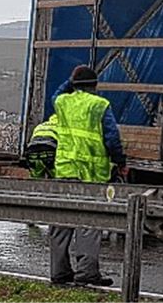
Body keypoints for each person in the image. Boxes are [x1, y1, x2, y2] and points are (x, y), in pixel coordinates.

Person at [48, 65, 127, 287]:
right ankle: (86, 272)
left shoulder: (62, 102)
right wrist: (120, 162)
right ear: (95, 85)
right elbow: (112, 138)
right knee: (89, 224)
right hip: (91, 174)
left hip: (65, 171)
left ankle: (59, 272)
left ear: (74, 84)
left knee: (61, 223)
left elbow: (56, 93)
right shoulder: (99, 105)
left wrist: (70, 80)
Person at [22, 115, 59, 180]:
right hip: (49, 151)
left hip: (32, 152)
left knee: (36, 176)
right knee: (57, 177)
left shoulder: (41, 125)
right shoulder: (63, 126)